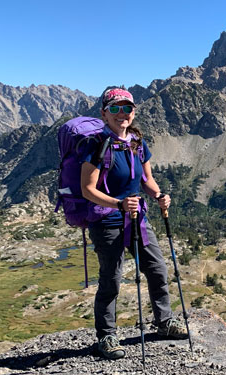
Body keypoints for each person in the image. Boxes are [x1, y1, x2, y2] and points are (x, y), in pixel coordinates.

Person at [80, 87, 188, 360]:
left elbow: (146, 179)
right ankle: (106, 336)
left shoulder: (137, 142)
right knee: (112, 278)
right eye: (115, 108)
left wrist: (159, 195)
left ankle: (164, 322)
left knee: (157, 268)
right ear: (104, 112)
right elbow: (87, 189)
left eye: (127, 108)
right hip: (107, 220)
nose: (122, 114)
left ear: (133, 112)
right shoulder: (96, 145)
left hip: (137, 217)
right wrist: (118, 204)